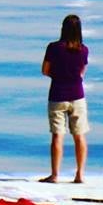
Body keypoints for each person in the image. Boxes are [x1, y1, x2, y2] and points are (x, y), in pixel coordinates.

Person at [41, 13, 90, 183]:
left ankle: (55, 175)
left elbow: (45, 70)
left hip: (57, 94)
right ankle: (80, 174)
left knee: (57, 136)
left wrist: (59, 75)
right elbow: (82, 73)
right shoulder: (83, 50)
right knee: (80, 135)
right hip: (77, 95)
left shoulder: (53, 48)